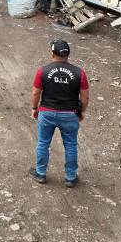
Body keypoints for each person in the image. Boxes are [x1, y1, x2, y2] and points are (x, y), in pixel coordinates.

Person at [29, 40, 89, 188]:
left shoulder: (42, 71)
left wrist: (34, 108)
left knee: (43, 143)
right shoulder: (79, 73)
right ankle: (70, 177)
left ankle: (40, 173)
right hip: (70, 114)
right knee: (71, 145)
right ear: (68, 55)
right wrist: (81, 112)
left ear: (52, 54)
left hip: (47, 113)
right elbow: (85, 97)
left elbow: (36, 92)